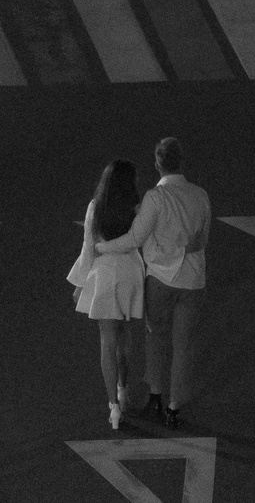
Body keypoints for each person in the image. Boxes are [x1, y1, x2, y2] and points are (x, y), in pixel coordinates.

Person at [90, 135, 210, 428]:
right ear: (182, 161)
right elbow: (202, 240)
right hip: (192, 280)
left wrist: (102, 248)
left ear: (157, 164)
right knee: (183, 346)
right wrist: (184, 250)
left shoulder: (155, 198)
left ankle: (155, 395)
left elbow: (135, 238)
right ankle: (174, 406)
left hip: (159, 279)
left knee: (155, 336)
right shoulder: (201, 195)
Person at [66, 158, 147, 429]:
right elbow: (138, 241)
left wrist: (79, 283)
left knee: (107, 341)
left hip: (103, 275)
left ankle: (113, 407)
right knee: (125, 335)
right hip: (130, 272)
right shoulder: (137, 208)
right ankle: (124, 389)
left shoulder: (95, 207)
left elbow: (88, 247)